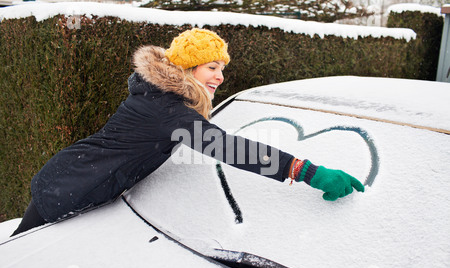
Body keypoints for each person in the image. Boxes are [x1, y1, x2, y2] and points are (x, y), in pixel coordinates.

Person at [11, 28, 364, 237]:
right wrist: (306, 172)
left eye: (222, 68)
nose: (220, 76)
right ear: (187, 68)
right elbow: (229, 148)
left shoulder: (160, 98)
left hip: (68, 178)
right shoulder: (167, 110)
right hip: (66, 189)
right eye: (212, 67)